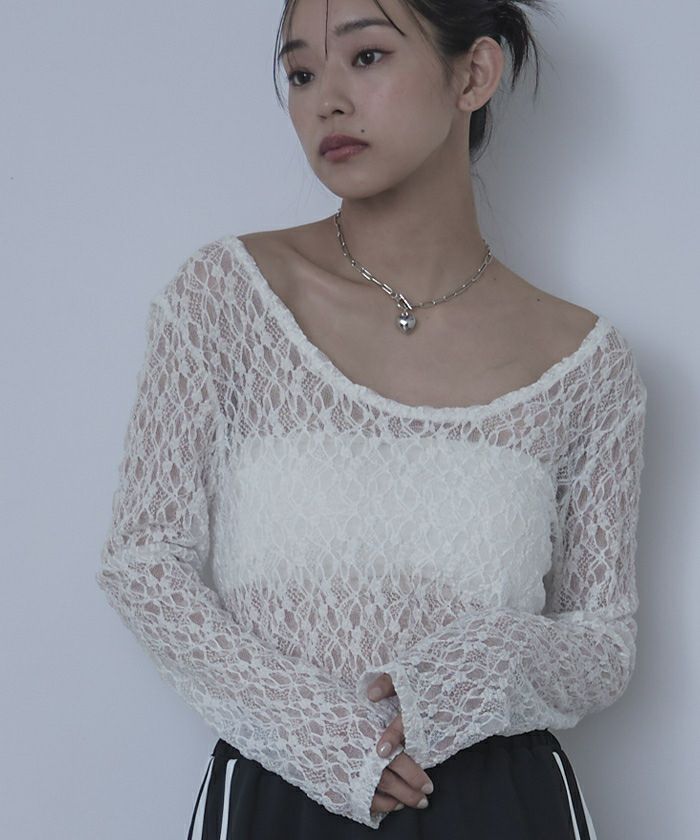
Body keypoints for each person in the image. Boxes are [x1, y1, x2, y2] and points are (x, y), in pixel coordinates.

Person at [95, 0, 648, 837]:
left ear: (474, 74)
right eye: (301, 73)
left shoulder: (584, 363)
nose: (326, 101)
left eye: (368, 57)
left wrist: (483, 665)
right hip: (284, 794)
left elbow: (603, 642)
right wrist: (315, 731)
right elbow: (142, 562)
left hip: (503, 806)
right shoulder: (226, 299)